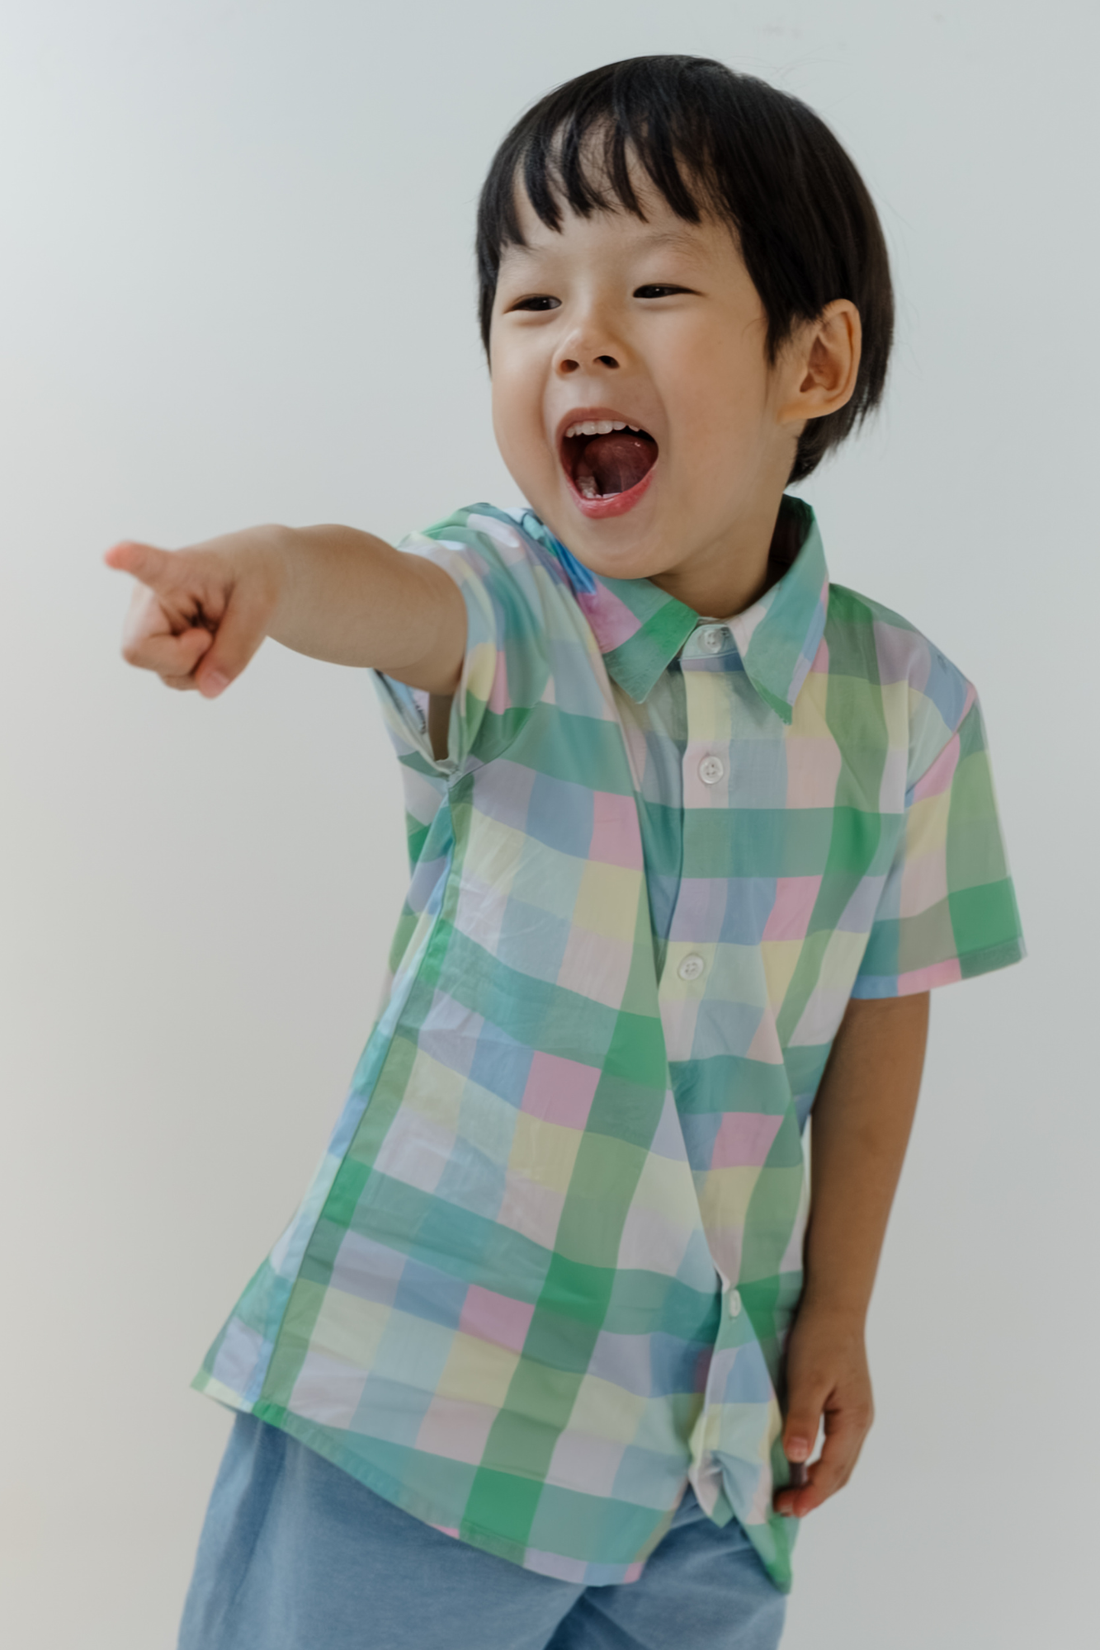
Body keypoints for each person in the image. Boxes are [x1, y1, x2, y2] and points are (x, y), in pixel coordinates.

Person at [106, 55, 1024, 1650]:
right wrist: (256, 571)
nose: (580, 335)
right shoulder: (517, 615)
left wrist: (839, 1305)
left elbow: (883, 1012)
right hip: (419, 1408)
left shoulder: (910, 711)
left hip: (699, 1447)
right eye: (529, 307)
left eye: (655, 285)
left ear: (815, 360)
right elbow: (378, 585)